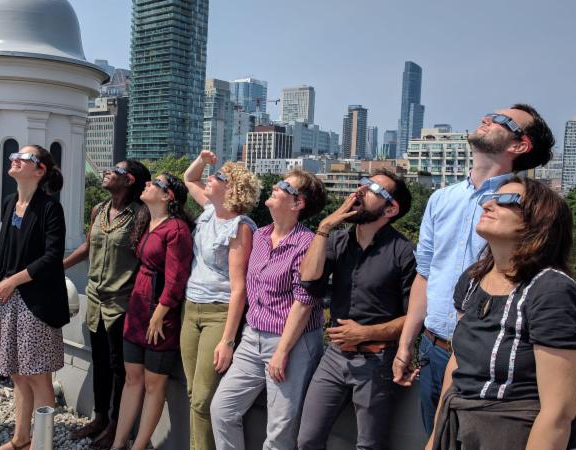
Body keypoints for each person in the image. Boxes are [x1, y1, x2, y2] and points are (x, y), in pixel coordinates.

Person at [393, 104, 555, 434]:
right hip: (433, 348)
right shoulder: (441, 199)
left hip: (488, 357)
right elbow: (426, 273)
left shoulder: (526, 207)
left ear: (519, 146)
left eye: (501, 120)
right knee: (434, 439)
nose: (487, 120)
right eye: (489, 115)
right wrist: (406, 342)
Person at [427, 177, 576, 449]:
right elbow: (457, 363)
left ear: (539, 220)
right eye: (488, 199)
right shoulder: (472, 280)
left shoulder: (550, 291)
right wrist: (435, 438)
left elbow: (558, 413)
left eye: (506, 200)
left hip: (514, 434)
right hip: (459, 428)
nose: (489, 204)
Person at [297, 169, 416, 450]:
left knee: (369, 446)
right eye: (363, 183)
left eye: (373, 188)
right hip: (334, 356)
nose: (361, 190)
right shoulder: (338, 240)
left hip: (377, 361)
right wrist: (324, 227)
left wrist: (364, 333)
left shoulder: (404, 251)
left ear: (391, 208)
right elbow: (309, 282)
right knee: (307, 440)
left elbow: (415, 318)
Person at [210, 169, 328, 450]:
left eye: (284, 186)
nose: (275, 186)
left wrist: (282, 351)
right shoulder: (260, 236)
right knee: (222, 409)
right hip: (253, 336)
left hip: (292, 342)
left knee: (280, 430)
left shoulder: (308, 245)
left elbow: (304, 301)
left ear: (298, 203)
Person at [0, 145, 68, 450]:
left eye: (25, 157)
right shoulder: (10, 203)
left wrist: (11, 281)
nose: (15, 159)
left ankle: (42, 444)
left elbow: (51, 257)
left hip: (38, 302)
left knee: (37, 374)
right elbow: (8, 248)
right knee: (18, 373)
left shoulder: (49, 208)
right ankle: (21, 438)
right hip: (12, 299)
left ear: (40, 169)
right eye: (13, 156)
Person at [62, 160, 151, 449]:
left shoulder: (140, 214)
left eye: (117, 170)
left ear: (130, 181)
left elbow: (145, 257)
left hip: (122, 303)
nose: (108, 172)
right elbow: (88, 246)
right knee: (100, 362)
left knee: (119, 368)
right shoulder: (99, 210)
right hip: (96, 299)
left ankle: (116, 424)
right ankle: (100, 417)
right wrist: (58, 267)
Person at [181, 151, 260, 450]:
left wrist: (227, 341)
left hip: (218, 313)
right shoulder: (209, 211)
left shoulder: (239, 226)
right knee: (192, 393)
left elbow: (239, 288)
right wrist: (202, 159)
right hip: (191, 308)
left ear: (232, 190)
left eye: (219, 177)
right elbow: (189, 178)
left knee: (203, 398)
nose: (211, 178)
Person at [110, 174, 194, 450]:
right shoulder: (147, 222)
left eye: (154, 184)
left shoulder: (177, 229)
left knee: (153, 385)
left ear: (168, 196)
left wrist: (160, 314)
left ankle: (139, 446)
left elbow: (176, 278)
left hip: (160, 314)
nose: (147, 185)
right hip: (138, 308)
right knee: (132, 378)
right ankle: (119, 442)